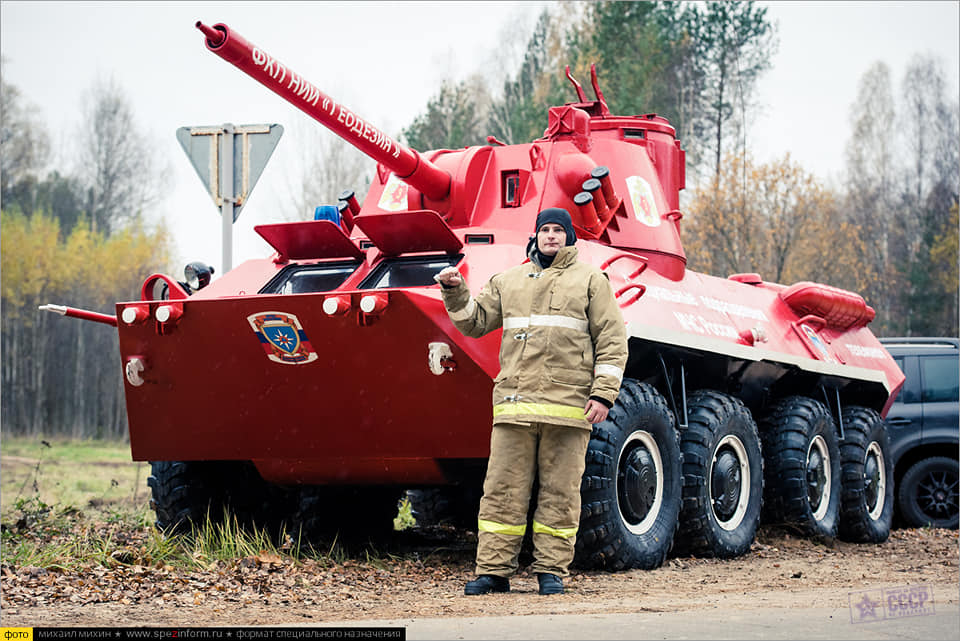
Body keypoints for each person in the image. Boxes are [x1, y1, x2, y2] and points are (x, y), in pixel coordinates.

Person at [435, 207, 628, 596]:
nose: (552, 236)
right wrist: (455, 290)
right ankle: (493, 572)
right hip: (515, 408)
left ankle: (551, 571)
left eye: (559, 230)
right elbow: (474, 321)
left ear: (570, 238)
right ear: (536, 236)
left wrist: (603, 394)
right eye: (546, 230)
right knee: (502, 491)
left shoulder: (591, 281)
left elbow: (612, 340)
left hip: (568, 409)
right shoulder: (509, 280)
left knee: (560, 492)